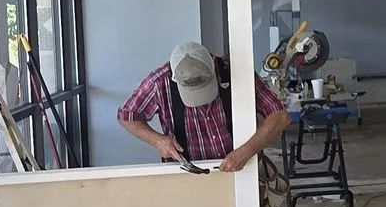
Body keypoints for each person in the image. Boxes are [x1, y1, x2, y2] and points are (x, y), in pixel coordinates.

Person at [118, 41, 288, 172]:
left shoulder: (235, 72)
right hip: (188, 174)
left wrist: (246, 151)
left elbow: (280, 116)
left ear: (213, 67)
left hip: (242, 169)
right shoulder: (160, 82)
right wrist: (158, 141)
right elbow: (127, 115)